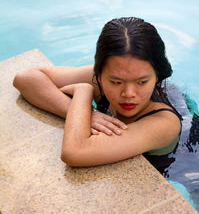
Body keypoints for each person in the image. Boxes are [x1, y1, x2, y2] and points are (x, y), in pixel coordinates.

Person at [13, 17, 182, 168]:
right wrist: (89, 114)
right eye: (116, 82)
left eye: (142, 82)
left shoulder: (164, 123)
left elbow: (74, 152)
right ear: (99, 75)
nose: (128, 93)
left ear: (158, 75)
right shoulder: (99, 77)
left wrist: (83, 92)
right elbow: (25, 78)